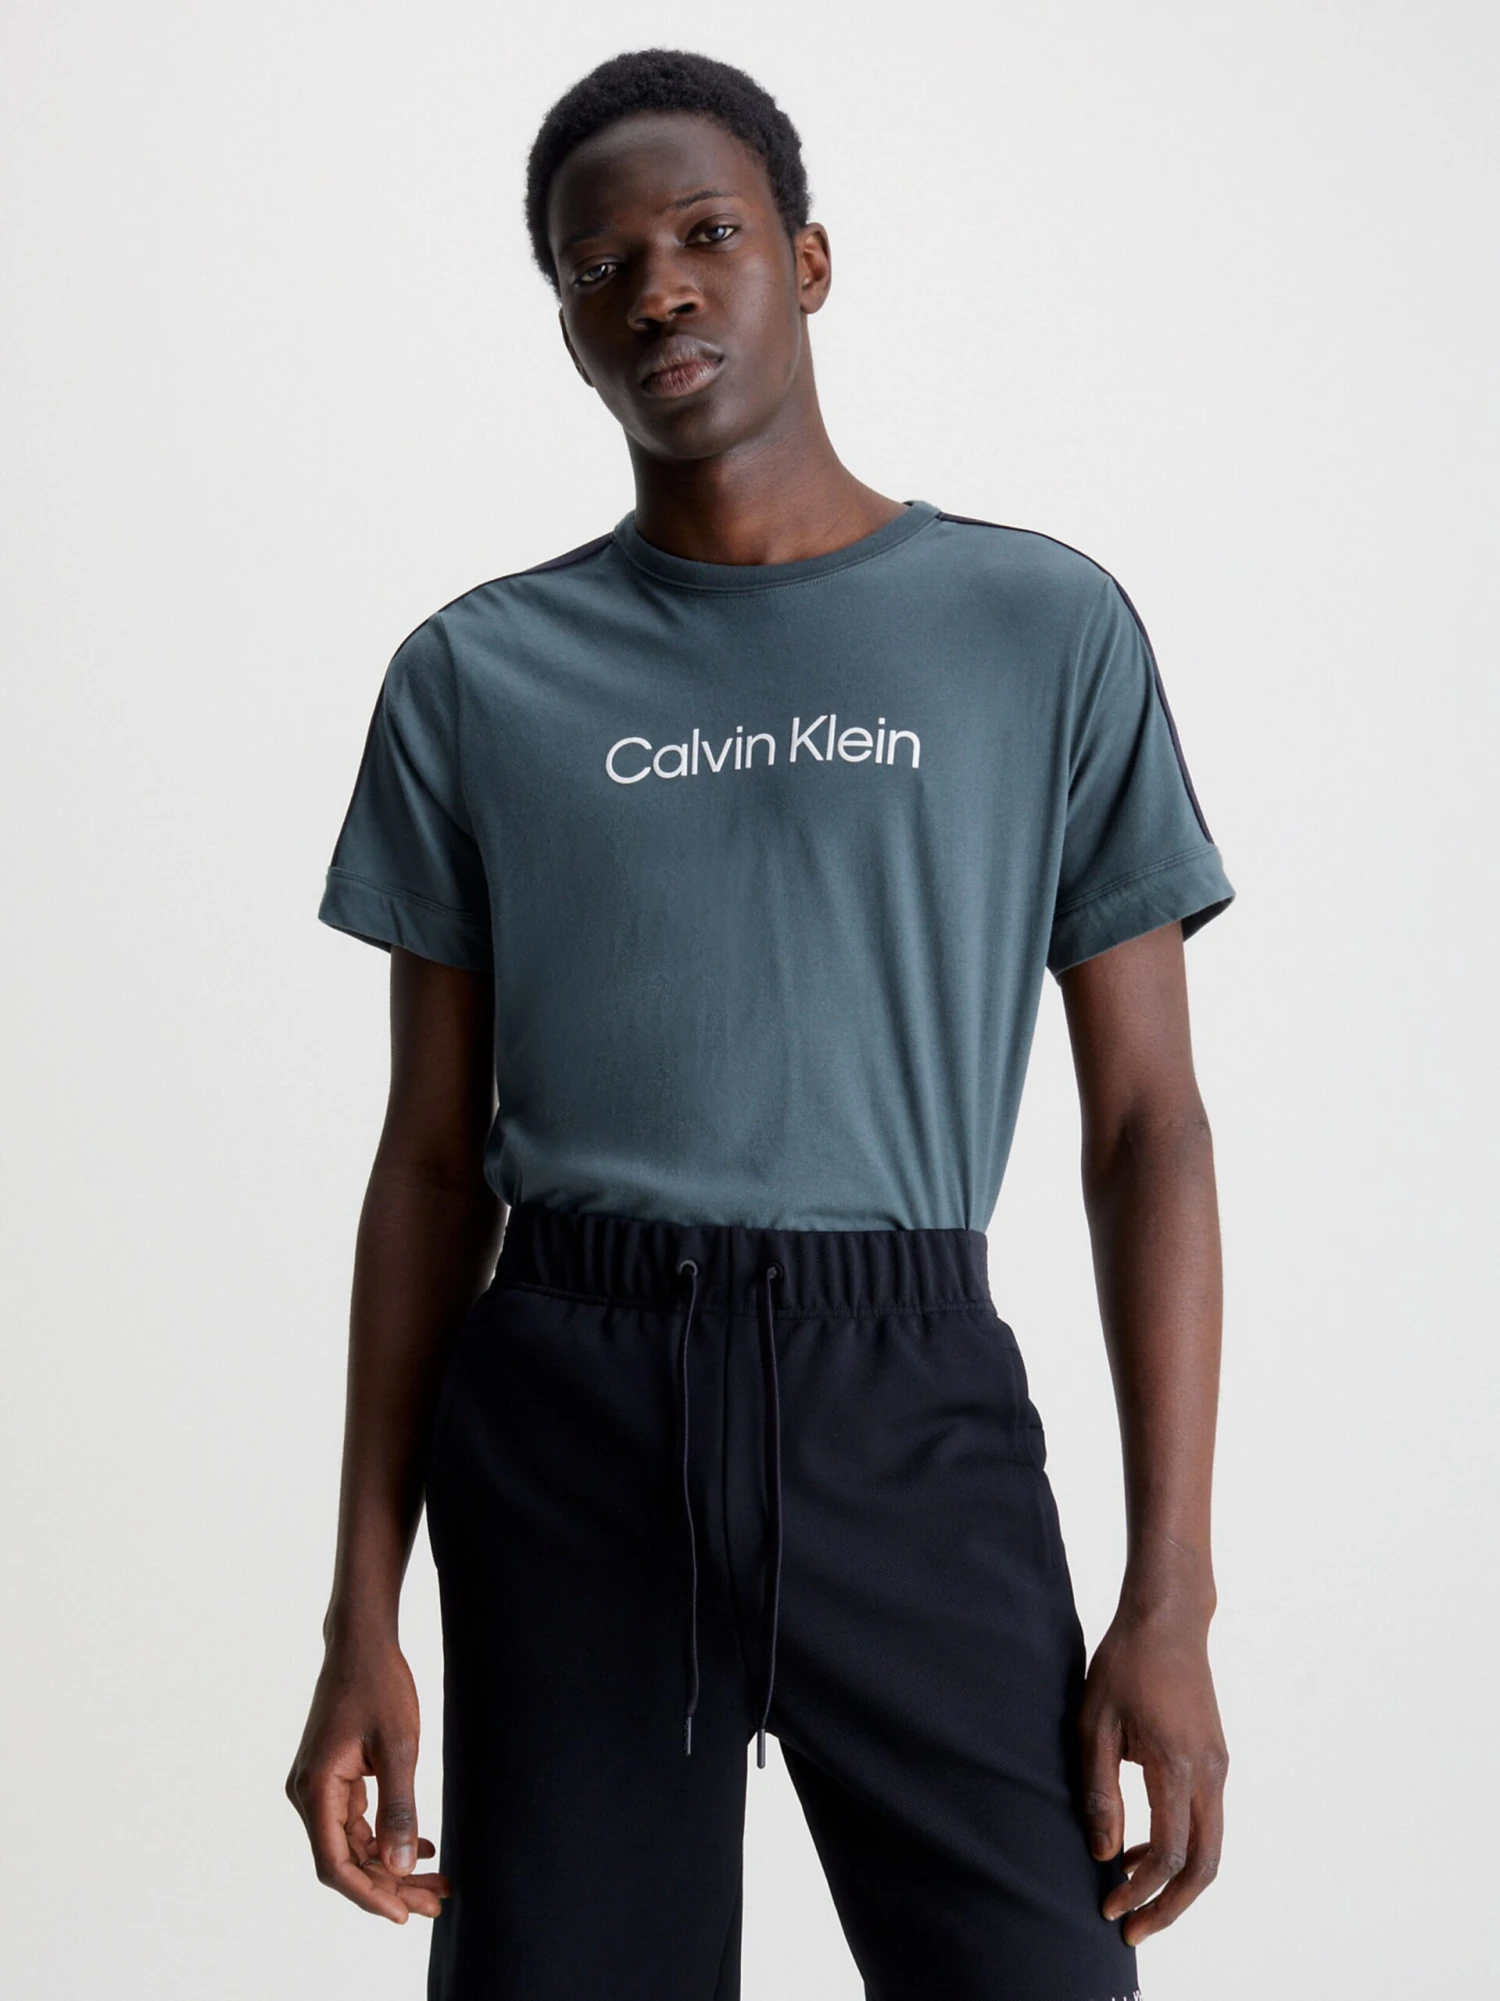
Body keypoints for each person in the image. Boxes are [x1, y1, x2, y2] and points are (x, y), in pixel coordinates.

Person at [286, 45, 1234, 2001]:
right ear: (568, 325)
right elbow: (431, 1166)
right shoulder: (477, 675)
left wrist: (1173, 1596)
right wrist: (359, 1616)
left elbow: (1149, 1126)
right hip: (570, 1417)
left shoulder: (1039, 630)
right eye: (599, 266)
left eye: (706, 234)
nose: (657, 289)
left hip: (911, 1407)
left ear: (805, 260)